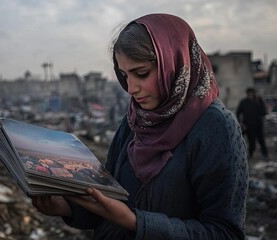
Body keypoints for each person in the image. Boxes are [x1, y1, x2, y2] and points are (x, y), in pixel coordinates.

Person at [31, 13, 248, 239]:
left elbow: (225, 233)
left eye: (141, 73)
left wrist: (134, 222)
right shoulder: (137, 119)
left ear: (172, 64)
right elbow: (108, 202)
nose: (131, 88)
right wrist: (66, 207)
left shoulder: (215, 127)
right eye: (124, 75)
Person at [236, 87, 268, 159]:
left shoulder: (259, 101)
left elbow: (264, 112)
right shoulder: (244, 102)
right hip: (248, 125)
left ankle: (265, 155)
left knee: (261, 140)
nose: (250, 95)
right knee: (251, 141)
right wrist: (240, 122)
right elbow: (238, 112)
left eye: (251, 94)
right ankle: (250, 155)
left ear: (254, 94)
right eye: (249, 94)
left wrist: (258, 105)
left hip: (258, 125)